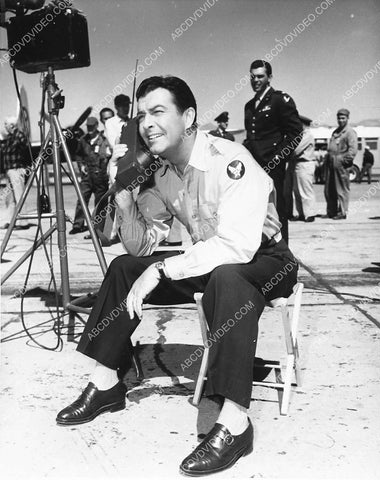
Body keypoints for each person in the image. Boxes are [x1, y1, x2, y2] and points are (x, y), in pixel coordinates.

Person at [56, 75, 298, 476]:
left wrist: (164, 269)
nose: (146, 123)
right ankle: (106, 383)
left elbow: (238, 246)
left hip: (266, 258)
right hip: (210, 259)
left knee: (227, 276)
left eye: (157, 112)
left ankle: (235, 423)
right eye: (141, 116)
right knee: (124, 268)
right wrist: (123, 198)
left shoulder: (228, 159)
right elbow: (142, 246)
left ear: (188, 117)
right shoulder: (165, 173)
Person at [243, 59, 302, 244]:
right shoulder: (249, 106)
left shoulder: (280, 100)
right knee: (258, 210)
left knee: (278, 209)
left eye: (260, 76)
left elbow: (295, 132)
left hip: (274, 166)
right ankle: (265, 253)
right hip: (255, 168)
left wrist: (278, 158)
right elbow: (251, 138)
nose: (256, 80)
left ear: (269, 77)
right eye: (253, 77)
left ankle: (283, 256)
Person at [69, 117, 112, 235]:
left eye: (92, 126)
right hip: (87, 175)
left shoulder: (103, 140)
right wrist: (81, 165)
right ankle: (78, 225)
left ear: (97, 125)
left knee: (99, 203)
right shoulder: (83, 140)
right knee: (82, 199)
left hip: (100, 176)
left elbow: (107, 156)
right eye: (88, 127)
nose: (90, 129)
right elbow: (78, 155)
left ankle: (97, 227)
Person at [324, 109, 357, 219]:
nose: (340, 120)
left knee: (342, 189)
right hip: (331, 164)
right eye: (339, 118)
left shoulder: (350, 132)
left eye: (343, 118)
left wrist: (342, 161)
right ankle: (332, 211)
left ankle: (343, 212)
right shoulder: (335, 132)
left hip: (341, 165)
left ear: (348, 118)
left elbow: (353, 151)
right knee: (330, 189)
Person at [0, 116, 30, 230]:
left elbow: (26, 149)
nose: (5, 126)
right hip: (9, 171)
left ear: (12, 125)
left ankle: (23, 223)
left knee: (19, 196)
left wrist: (24, 168)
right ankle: (10, 221)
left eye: (5, 124)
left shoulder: (20, 136)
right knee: (9, 197)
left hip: (17, 170)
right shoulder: (10, 137)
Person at [285, 115, 316, 222]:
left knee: (305, 190)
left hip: (304, 164)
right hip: (297, 164)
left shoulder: (307, 136)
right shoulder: (299, 135)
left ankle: (310, 214)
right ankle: (302, 214)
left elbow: (296, 150)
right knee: (297, 191)